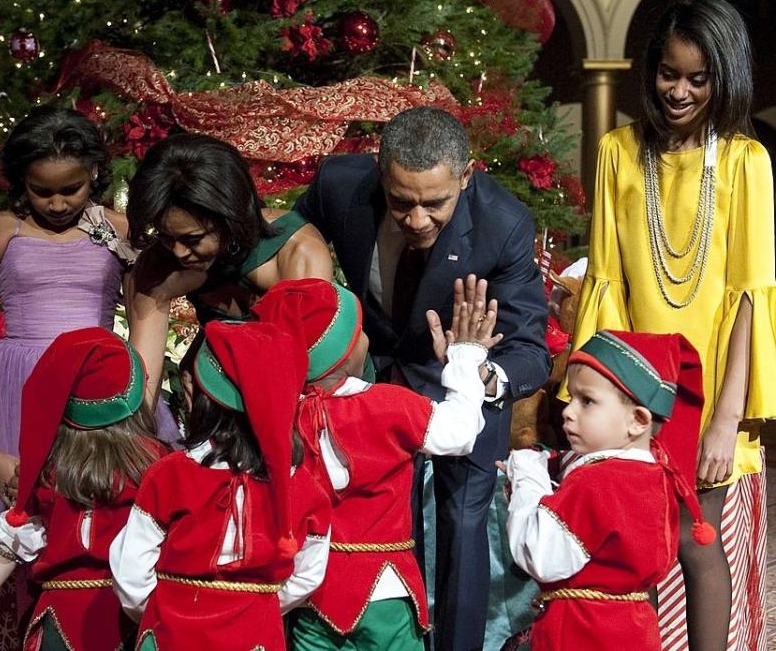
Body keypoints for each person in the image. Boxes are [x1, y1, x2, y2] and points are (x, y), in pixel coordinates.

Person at [294, 105, 551, 649]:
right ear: (380, 173)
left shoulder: (502, 225)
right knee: (378, 524)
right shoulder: (340, 185)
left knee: (461, 521)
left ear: (466, 175)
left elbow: (531, 350)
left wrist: (476, 370)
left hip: (468, 372)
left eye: (434, 203)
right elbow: (291, 237)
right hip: (375, 376)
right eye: (400, 201)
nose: (416, 220)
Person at [570, 0, 776, 647]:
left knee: (696, 538)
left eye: (697, 78)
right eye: (667, 74)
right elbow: (605, 279)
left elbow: (749, 295)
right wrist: (601, 394)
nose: (679, 91)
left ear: (724, 76)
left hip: (712, 385)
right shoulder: (618, 152)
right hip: (636, 386)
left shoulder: (746, 163)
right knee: (632, 539)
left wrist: (724, 416)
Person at [250, 277, 500, 650]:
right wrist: (465, 357)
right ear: (347, 351)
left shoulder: (276, 421)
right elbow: (460, 433)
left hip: (309, 592)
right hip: (386, 590)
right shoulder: (387, 406)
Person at [110, 319, 332, 651]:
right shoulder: (304, 487)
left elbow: (130, 572)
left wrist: (170, 605)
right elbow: (306, 577)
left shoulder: (171, 475)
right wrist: (255, 601)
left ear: (202, 396)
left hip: (173, 633)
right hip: (256, 636)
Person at [0, 327, 166, 650]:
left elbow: (13, 540)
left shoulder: (49, 471)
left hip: (58, 621)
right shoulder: (156, 466)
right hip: (127, 617)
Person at [504, 330, 716, 650]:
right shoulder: (654, 476)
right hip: (631, 631)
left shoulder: (598, 482)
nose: (568, 411)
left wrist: (526, 477)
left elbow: (539, 555)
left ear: (637, 420)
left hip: (582, 634)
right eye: (571, 397)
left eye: (587, 401)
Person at [124, 133, 333, 408]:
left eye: (193, 239)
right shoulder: (161, 260)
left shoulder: (296, 251)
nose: (178, 253)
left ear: (231, 216)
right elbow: (142, 393)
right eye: (164, 236)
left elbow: (311, 374)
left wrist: (209, 366)